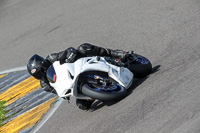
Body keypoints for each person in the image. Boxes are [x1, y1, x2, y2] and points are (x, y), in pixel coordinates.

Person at [27, 43, 126, 110]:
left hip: (79, 66)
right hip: (74, 83)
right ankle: (99, 90)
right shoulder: (45, 85)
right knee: (82, 105)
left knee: (83, 48)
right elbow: (61, 92)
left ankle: (114, 53)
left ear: (44, 64)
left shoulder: (51, 58)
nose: (42, 75)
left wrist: (70, 55)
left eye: (41, 71)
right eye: (38, 75)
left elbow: (68, 51)